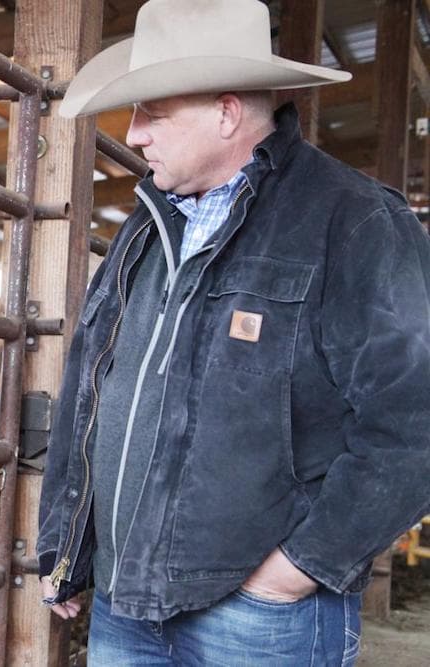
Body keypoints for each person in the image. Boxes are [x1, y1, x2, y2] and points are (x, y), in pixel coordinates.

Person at [36, 0, 430, 664]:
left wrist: (300, 566)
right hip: (124, 605)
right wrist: (68, 540)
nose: (132, 136)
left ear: (225, 113)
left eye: (150, 113)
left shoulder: (353, 221)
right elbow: (91, 385)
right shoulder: (146, 228)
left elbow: (412, 419)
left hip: (259, 617)